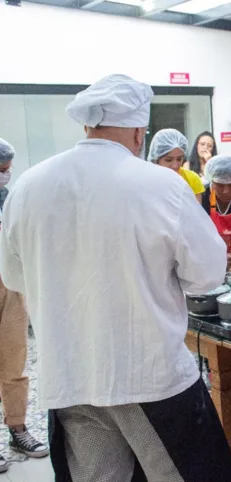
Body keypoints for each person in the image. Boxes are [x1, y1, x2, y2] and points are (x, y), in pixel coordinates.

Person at [0, 74, 231, 481]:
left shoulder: (27, 186)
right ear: (137, 130)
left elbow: (14, 276)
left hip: (71, 377)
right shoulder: (160, 185)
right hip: (150, 379)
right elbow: (206, 274)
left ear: (87, 125)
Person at [0, 138, 48, 475]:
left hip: (10, 287)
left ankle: (18, 429)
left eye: (7, 169)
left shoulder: (9, 197)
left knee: (14, 360)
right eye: (2, 170)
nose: (7, 175)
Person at [201, 155, 231, 271]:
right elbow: (198, 237)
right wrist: (219, 257)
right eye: (220, 185)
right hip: (210, 262)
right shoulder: (203, 196)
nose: (226, 191)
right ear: (212, 181)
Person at [148, 128, 205, 202]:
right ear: (155, 159)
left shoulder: (192, 179)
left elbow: (196, 211)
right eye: (168, 160)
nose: (175, 165)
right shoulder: (148, 181)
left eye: (179, 159)